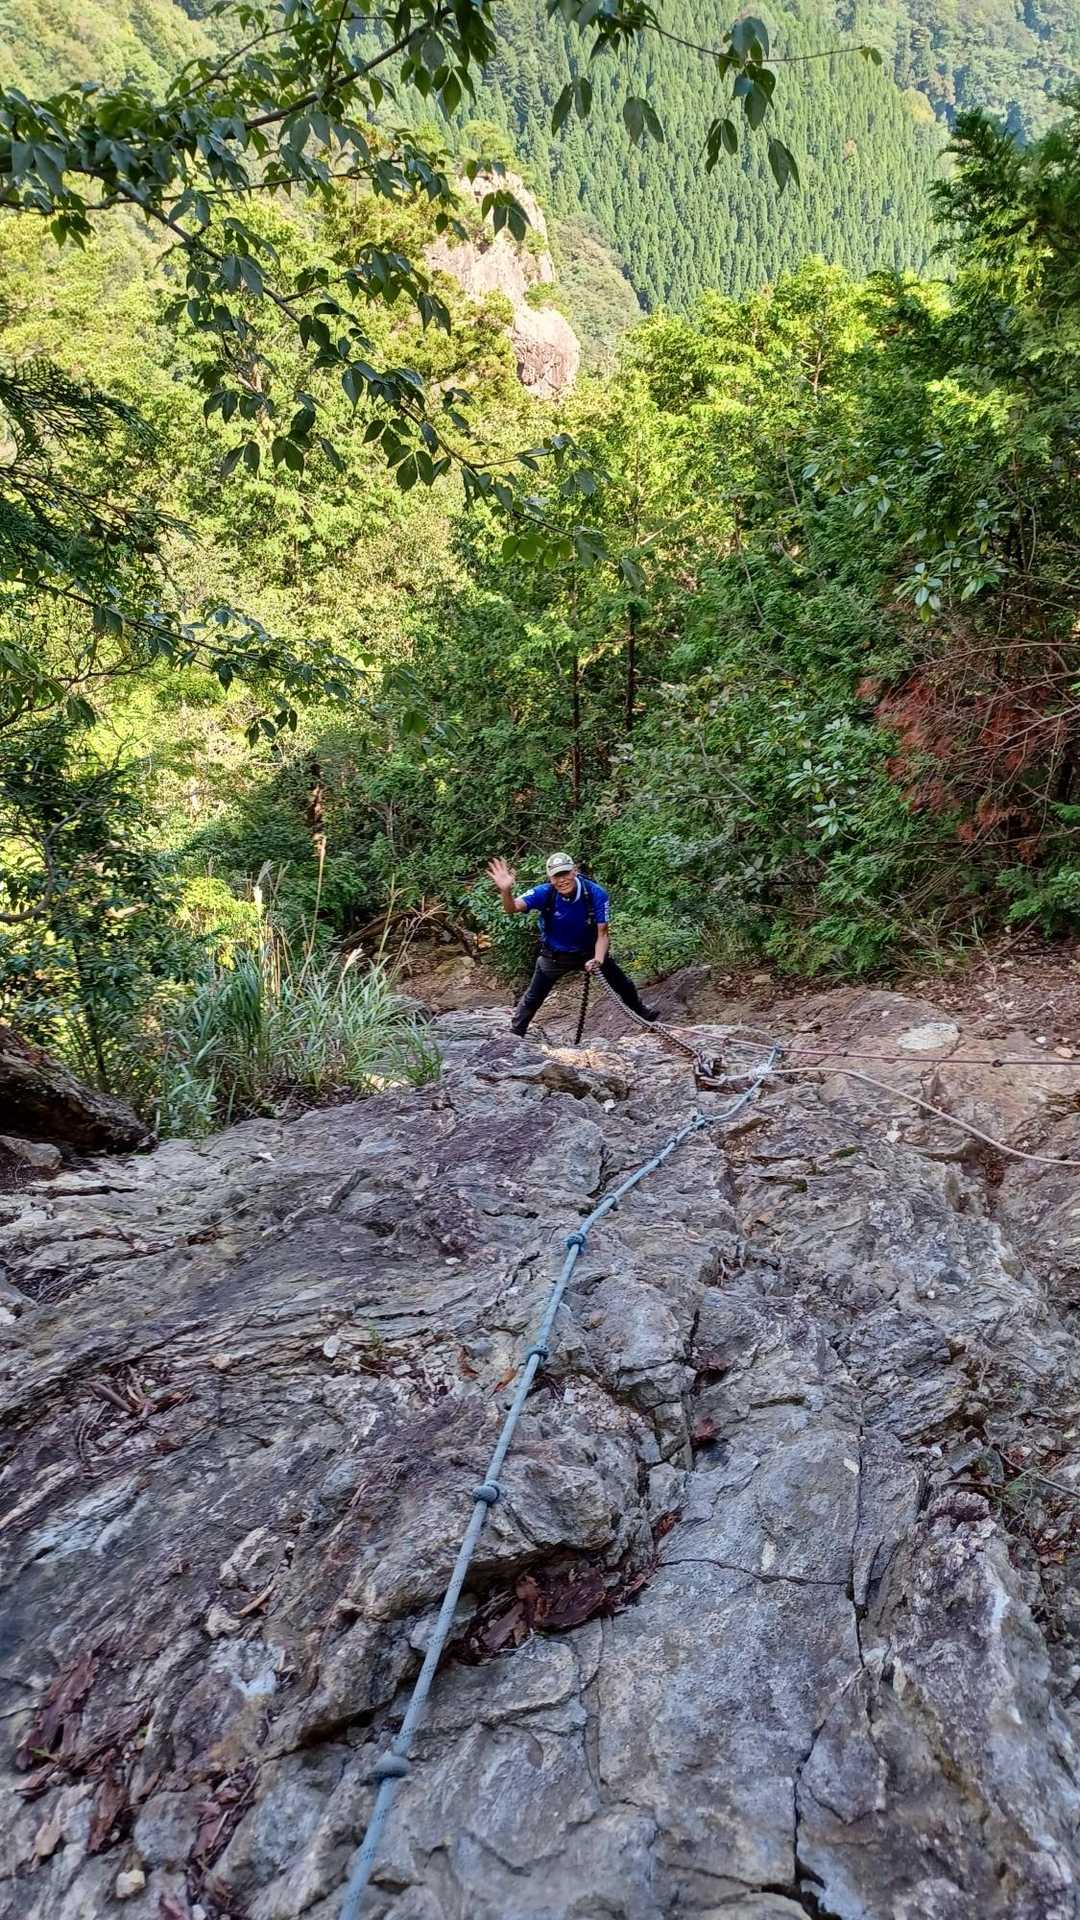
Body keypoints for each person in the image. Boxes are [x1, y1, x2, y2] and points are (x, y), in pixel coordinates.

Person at [487, 850, 660, 1038]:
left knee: (623, 985)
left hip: (590, 953)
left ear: (574, 871)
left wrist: (598, 960)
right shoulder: (545, 892)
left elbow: (602, 933)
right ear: (550, 879)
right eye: (556, 876)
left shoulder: (595, 893)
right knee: (533, 998)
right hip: (555, 956)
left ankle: (644, 1015)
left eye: (565, 873)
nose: (562, 880)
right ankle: (515, 1035)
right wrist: (506, 890)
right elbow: (511, 908)